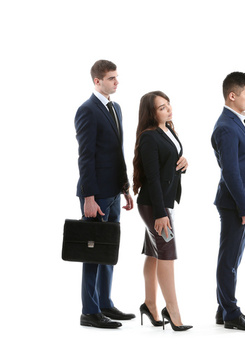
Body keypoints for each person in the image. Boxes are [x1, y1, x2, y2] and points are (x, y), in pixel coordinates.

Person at [74, 59, 135, 329]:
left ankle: (105, 303)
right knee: (93, 252)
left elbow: (117, 153)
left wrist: (125, 188)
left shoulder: (116, 108)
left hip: (113, 190)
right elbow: (85, 157)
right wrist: (88, 197)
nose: (117, 82)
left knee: (108, 250)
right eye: (111, 78)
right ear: (97, 81)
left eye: (117, 77)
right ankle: (90, 311)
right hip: (95, 194)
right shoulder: (86, 110)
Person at [133, 91, 192, 331]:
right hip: (154, 205)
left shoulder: (168, 130)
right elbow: (153, 177)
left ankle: (149, 303)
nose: (168, 110)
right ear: (151, 112)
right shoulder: (148, 137)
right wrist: (160, 214)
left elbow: (170, 163)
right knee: (167, 255)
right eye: (161, 107)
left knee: (154, 253)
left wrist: (183, 164)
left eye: (168, 105)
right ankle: (173, 311)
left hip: (164, 202)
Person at [211, 71, 245, 331]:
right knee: (229, 260)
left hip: (243, 201)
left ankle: (223, 309)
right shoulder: (226, 126)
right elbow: (230, 172)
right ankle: (231, 313)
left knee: (233, 259)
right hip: (235, 203)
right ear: (232, 96)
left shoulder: (238, 121)